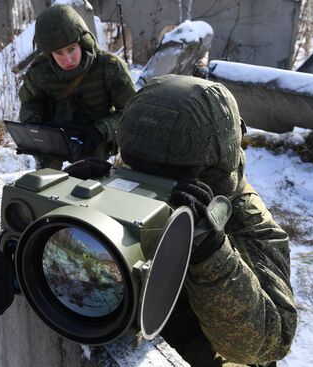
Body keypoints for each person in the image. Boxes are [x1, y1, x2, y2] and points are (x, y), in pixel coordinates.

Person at [66, 75, 297, 367]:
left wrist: (211, 253)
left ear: (213, 167)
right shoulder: (130, 174)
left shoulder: (246, 218)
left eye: (172, 176)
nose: (155, 186)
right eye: (142, 170)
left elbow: (268, 343)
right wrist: (80, 203)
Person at [18, 4, 136, 170]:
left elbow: (130, 112)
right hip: (55, 140)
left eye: (71, 49)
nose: (68, 60)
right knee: (45, 184)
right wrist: (33, 131)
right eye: (59, 53)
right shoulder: (40, 71)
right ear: (49, 52)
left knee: (90, 182)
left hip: (94, 140)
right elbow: (30, 103)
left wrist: (101, 130)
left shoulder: (109, 67)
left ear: (82, 41)